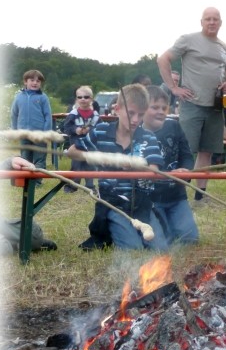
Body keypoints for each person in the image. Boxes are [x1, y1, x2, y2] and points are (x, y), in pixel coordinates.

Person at [67, 84, 169, 251]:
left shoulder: (148, 138)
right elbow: (72, 152)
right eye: (131, 113)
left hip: (141, 202)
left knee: (160, 249)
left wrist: (135, 165)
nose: (136, 120)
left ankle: (134, 228)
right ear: (117, 109)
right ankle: (113, 229)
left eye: (141, 115)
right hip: (113, 202)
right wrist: (99, 157)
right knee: (132, 247)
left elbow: (153, 171)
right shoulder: (100, 131)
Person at [157, 6, 226, 207]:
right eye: (207, 19)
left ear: (220, 22)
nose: (211, 22)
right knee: (185, 150)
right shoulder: (188, 39)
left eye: (215, 19)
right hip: (192, 104)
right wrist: (173, 88)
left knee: (207, 152)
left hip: (216, 107)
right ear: (201, 22)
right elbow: (163, 59)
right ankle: (177, 193)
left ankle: (200, 196)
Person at [143, 85, 199, 245]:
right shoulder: (135, 134)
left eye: (164, 107)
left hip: (176, 196)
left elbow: (187, 155)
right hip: (150, 200)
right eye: (154, 107)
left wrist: (186, 171)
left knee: (190, 239)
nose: (161, 111)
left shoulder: (174, 126)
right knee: (161, 242)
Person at [10, 69, 52, 186]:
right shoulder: (19, 97)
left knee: (39, 158)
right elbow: (14, 114)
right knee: (25, 158)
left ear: (41, 83)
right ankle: (26, 180)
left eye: (38, 81)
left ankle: (37, 181)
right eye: (32, 80)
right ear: (25, 82)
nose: (35, 83)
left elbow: (48, 115)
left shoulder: (43, 97)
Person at [62, 85, 101, 193]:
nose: (83, 99)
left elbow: (100, 128)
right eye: (80, 97)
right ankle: (72, 185)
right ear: (76, 99)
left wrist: (91, 130)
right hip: (76, 145)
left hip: (91, 145)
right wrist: (76, 130)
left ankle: (90, 186)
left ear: (91, 99)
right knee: (76, 165)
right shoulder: (73, 114)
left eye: (86, 97)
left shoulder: (95, 115)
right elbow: (66, 128)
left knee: (90, 165)